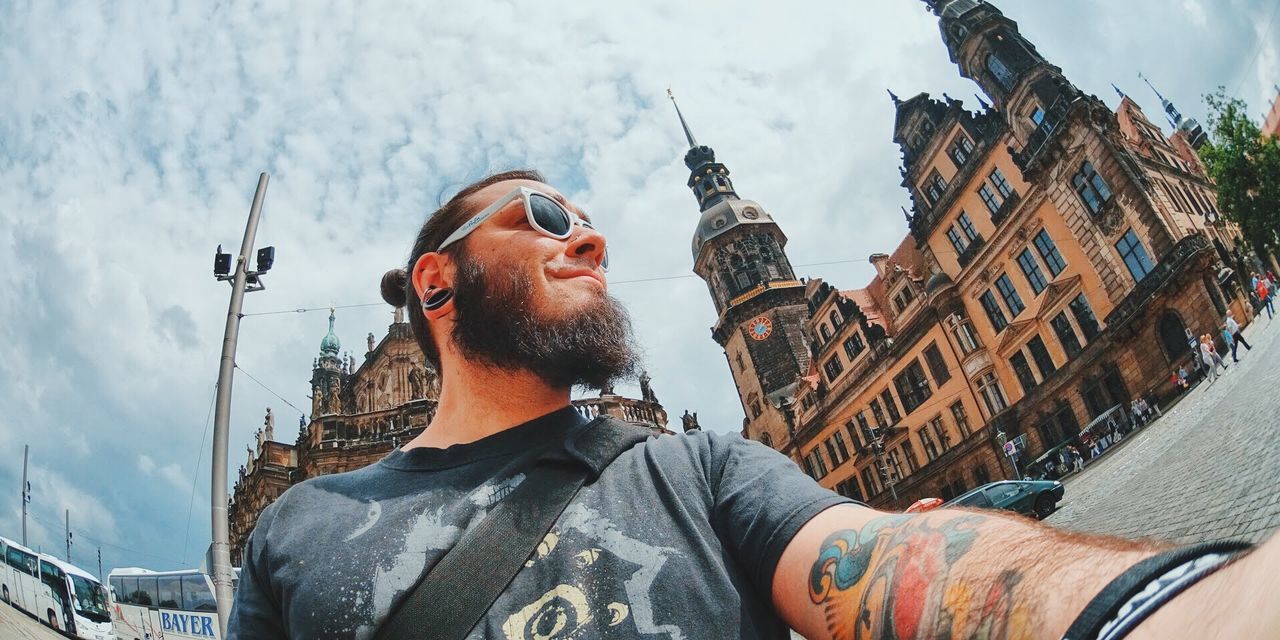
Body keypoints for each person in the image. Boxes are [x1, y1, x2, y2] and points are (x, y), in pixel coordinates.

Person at [228, 170, 1280, 640]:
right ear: (434, 286)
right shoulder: (297, 525)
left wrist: (1177, 611)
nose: (587, 240)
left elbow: (891, 569)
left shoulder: (694, 471)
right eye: (544, 216)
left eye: (588, 223)